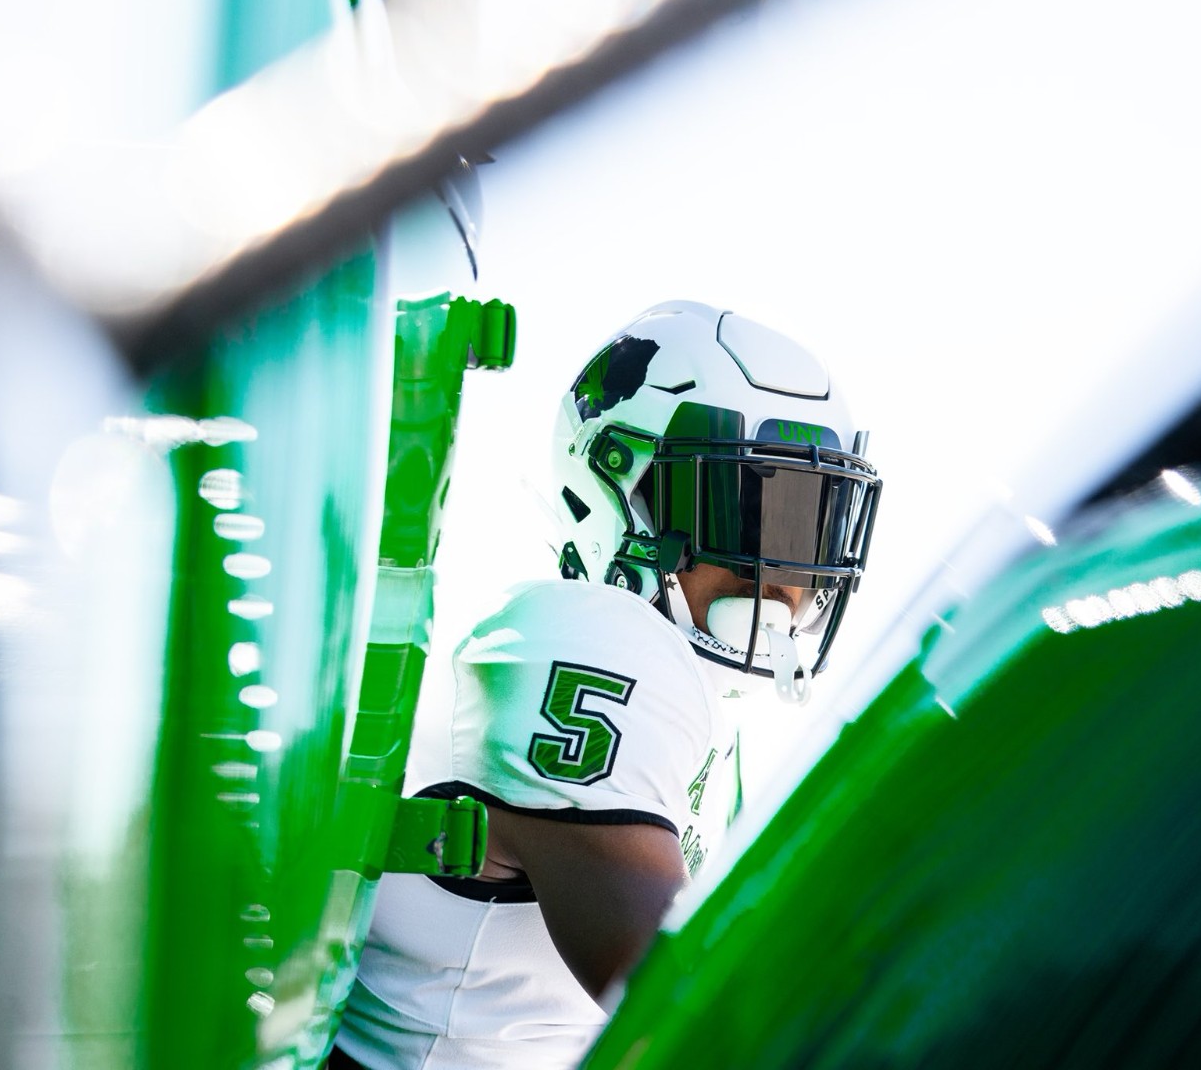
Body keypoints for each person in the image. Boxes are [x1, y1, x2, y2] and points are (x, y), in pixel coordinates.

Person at [332, 299, 882, 1070]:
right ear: (618, 489)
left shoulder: (711, 736)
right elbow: (705, 1014)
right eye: (753, 512)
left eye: (813, 523)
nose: (788, 572)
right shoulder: (598, 639)